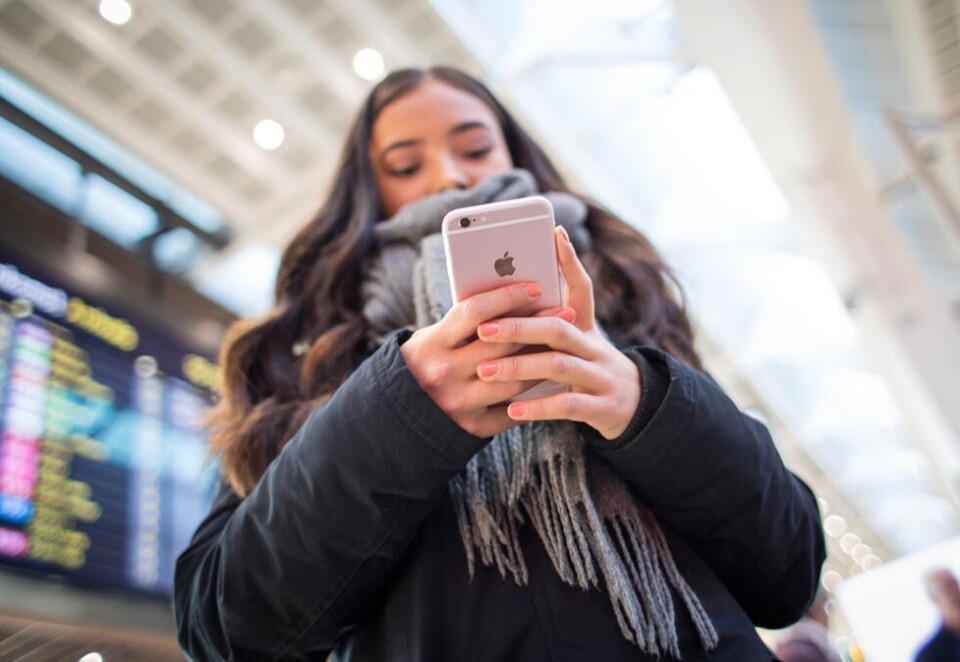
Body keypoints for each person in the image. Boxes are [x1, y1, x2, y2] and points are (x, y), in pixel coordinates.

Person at [173, 66, 826, 661]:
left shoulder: (630, 306)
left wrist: (642, 401)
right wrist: (399, 413)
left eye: (476, 148)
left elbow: (789, 572)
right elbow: (225, 631)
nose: (451, 178)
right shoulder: (306, 357)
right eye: (405, 166)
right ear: (367, 194)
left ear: (517, 154)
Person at [773, 589, 842, 662]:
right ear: (817, 608)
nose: (829, 617)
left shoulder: (788, 647)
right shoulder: (808, 652)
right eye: (829, 608)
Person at [915, 567, 960, 661]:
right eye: (946, 588)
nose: (955, 593)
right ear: (934, 599)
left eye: (955, 584)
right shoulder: (930, 655)